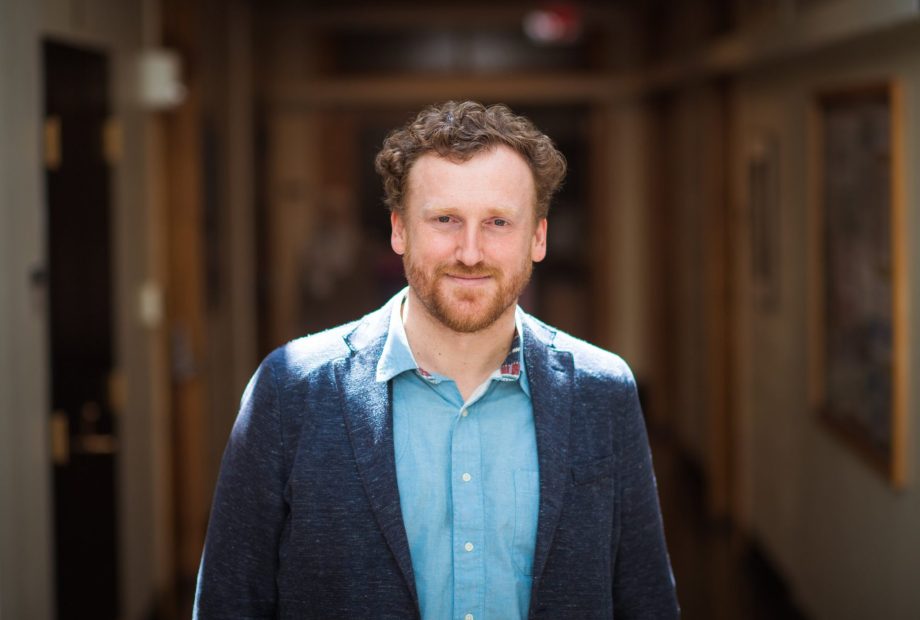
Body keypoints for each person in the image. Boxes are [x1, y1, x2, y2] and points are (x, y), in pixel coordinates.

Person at [194, 101, 679, 619]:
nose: (470, 252)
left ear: (537, 237)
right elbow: (229, 603)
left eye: (497, 222)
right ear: (399, 230)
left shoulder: (602, 392)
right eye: (445, 219)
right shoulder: (289, 392)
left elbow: (646, 602)